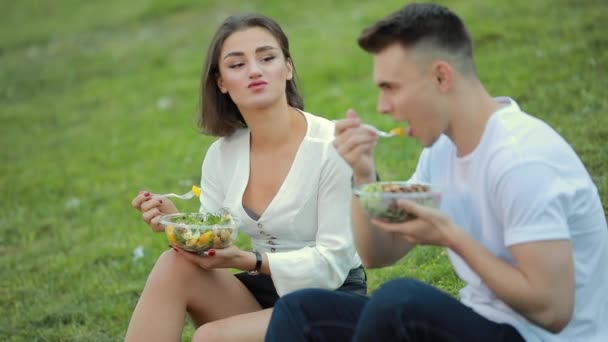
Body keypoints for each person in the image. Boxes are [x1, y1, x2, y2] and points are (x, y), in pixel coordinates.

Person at [265, 3, 608, 342]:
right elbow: (378, 254)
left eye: (391, 87)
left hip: (542, 337)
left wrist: (452, 237)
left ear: (442, 76)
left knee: (399, 304)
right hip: (483, 321)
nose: (383, 106)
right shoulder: (441, 150)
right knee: (300, 311)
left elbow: (554, 312)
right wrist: (363, 176)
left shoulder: (523, 161)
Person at [125, 13, 365, 342]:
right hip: (262, 298)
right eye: (237, 65)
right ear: (221, 82)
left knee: (211, 337)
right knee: (174, 265)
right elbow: (211, 240)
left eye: (267, 58)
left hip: (331, 300)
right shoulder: (222, 154)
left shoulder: (332, 146)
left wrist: (249, 260)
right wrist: (176, 223)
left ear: (288, 68)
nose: (254, 70)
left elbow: (333, 264)